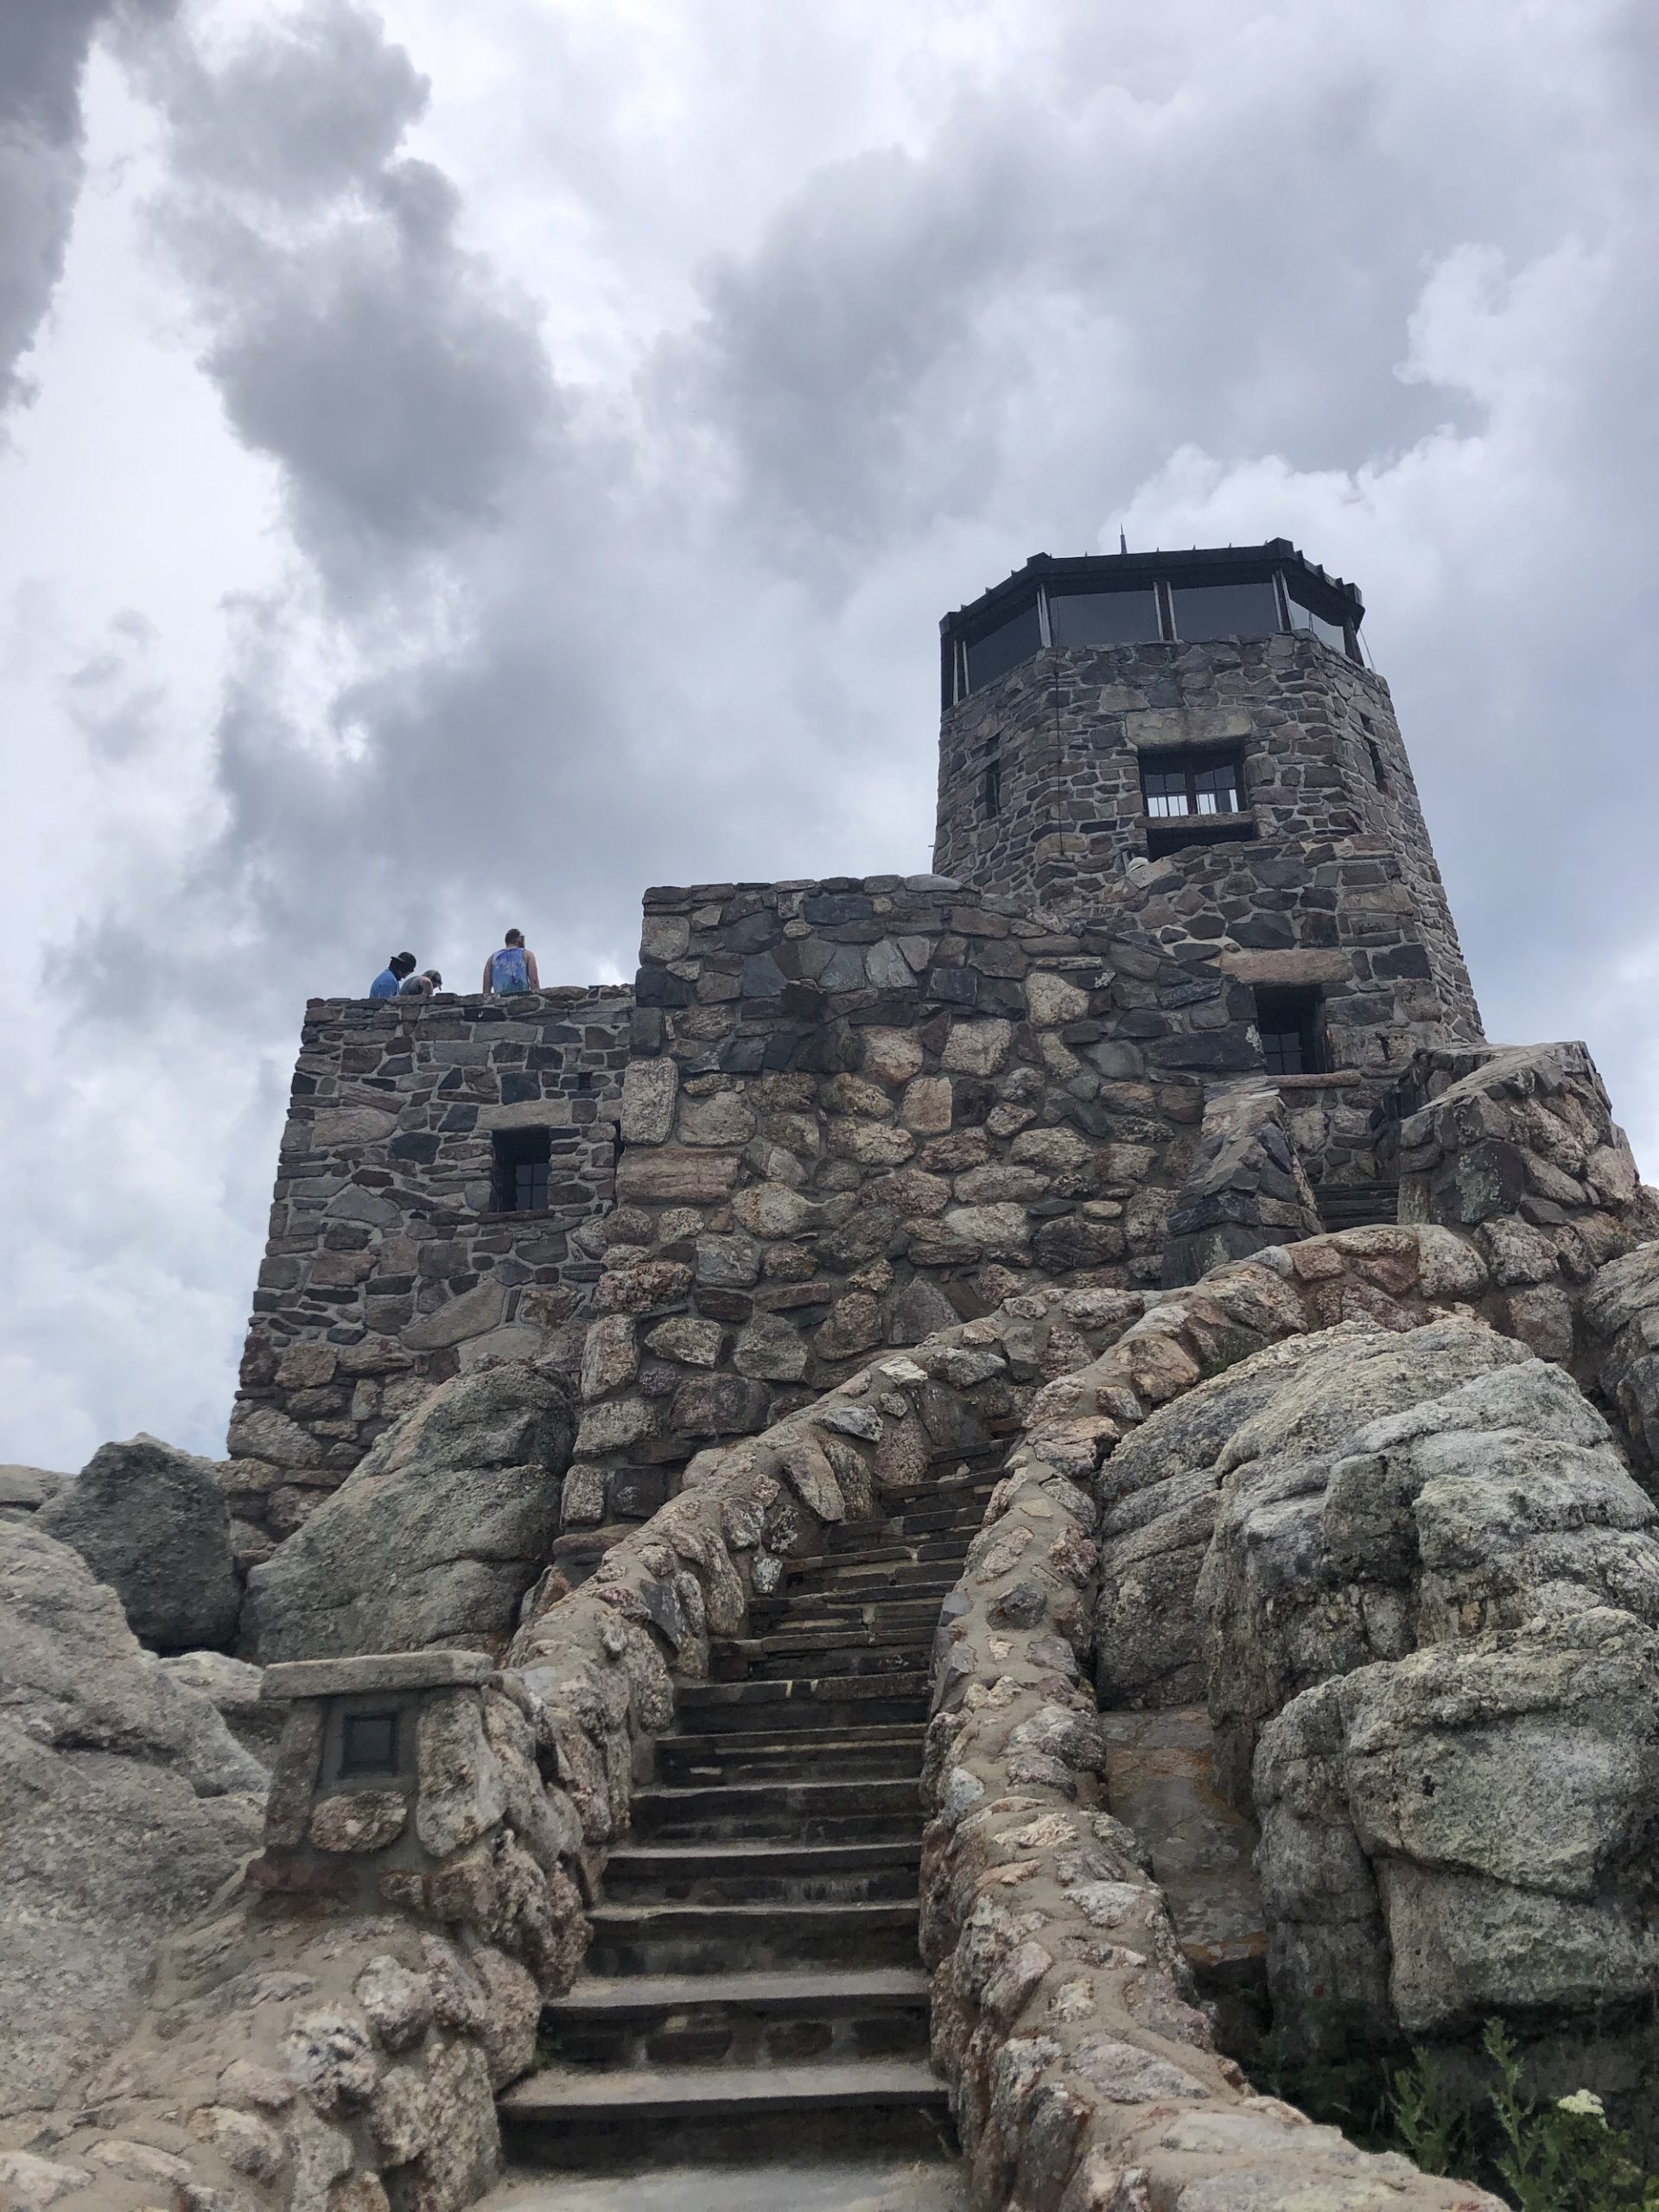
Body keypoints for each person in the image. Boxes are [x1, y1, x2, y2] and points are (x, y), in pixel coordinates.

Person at [482, 928, 539, 996]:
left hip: (500, 1001)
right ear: (519, 939)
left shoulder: (492, 958)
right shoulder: (527, 954)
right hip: (522, 999)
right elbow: (534, 980)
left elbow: (486, 988)